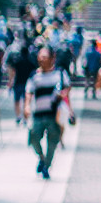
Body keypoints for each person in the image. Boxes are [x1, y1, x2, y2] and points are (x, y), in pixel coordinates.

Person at [24, 47, 70, 178]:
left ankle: (46, 166)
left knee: (53, 141)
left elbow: (67, 87)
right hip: (38, 113)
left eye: (44, 57)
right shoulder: (34, 75)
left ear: (52, 58)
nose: (41, 59)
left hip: (54, 114)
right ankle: (41, 157)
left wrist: (63, 95)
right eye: (40, 57)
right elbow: (29, 92)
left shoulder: (60, 73)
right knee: (33, 136)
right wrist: (27, 106)